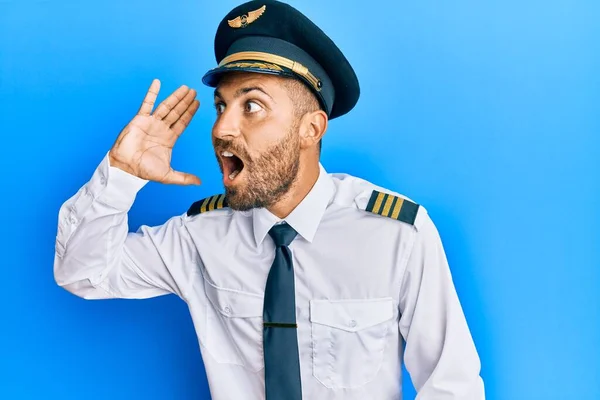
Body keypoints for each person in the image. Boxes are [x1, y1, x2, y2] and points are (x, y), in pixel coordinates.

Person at [53, 0, 485, 399]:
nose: (222, 129)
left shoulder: (396, 234)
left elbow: (452, 385)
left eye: (252, 107)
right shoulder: (198, 237)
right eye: (220, 106)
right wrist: (121, 176)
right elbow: (84, 274)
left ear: (310, 130)